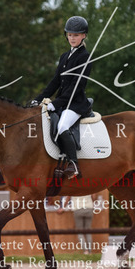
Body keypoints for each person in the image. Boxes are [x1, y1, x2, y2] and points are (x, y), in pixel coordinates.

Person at [32, 16, 93, 179]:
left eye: (76, 35)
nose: (72, 38)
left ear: (83, 36)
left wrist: (56, 103)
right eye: (70, 35)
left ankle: (74, 164)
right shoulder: (64, 56)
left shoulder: (85, 57)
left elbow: (76, 87)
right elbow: (55, 82)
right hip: (63, 103)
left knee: (62, 126)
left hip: (75, 103)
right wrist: (39, 98)